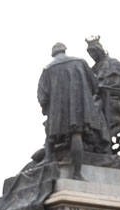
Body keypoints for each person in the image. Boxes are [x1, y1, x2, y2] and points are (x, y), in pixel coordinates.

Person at [36, 42, 107, 175]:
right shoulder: (80, 62)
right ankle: (76, 173)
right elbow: (94, 85)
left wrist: (47, 110)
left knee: (50, 134)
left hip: (56, 111)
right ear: (65, 50)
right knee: (76, 135)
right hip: (79, 107)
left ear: (53, 54)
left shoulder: (48, 69)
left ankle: (48, 158)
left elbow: (42, 96)